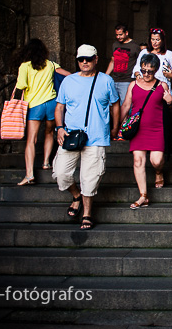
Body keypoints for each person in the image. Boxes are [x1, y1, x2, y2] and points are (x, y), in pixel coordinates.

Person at [53, 44, 120, 230]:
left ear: (96, 59)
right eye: (81, 59)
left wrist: (115, 127)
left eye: (88, 59)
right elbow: (59, 106)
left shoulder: (106, 80)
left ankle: (87, 213)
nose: (84, 62)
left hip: (96, 136)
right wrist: (59, 127)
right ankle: (76, 196)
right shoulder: (68, 81)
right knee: (61, 173)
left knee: (90, 177)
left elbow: (115, 104)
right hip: (71, 135)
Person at [14, 39, 71, 185]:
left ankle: (29, 174)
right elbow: (69, 75)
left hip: (35, 105)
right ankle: (46, 162)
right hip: (52, 103)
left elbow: (21, 85)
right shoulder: (51, 64)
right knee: (49, 132)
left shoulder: (25, 66)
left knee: (31, 139)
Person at [121, 53, 172, 209]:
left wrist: (170, 102)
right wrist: (116, 126)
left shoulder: (162, 85)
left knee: (156, 161)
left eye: (150, 71)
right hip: (138, 129)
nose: (146, 74)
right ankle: (143, 196)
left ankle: (158, 172)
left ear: (156, 70)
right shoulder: (133, 85)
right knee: (138, 160)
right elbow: (125, 106)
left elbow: (171, 112)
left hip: (157, 128)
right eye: (144, 70)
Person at [132, 27, 172, 91]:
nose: (154, 42)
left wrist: (170, 75)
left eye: (157, 39)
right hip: (145, 86)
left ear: (162, 40)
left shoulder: (169, 54)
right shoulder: (144, 52)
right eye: (152, 39)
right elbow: (137, 67)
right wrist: (138, 75)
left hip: (163, 86)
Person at [105, 23, 140, 105]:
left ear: (126, 33)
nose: (118, 37)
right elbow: (113, 61)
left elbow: (139, 64)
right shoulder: (115, 44)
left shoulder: (134, 46)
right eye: (116, 35)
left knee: (125, 105)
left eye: (120, 35)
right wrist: (105, 76)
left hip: (127, 81)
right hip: (114, 80)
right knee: (111, 105)